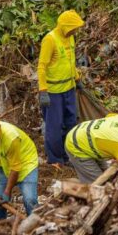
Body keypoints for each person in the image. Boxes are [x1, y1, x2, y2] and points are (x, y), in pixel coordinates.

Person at [38, 10, 85, 166]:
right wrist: (43, 91)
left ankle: (68, 155)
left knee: (71, 122)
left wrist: (77, 78)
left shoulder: (70, 37)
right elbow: (42, 66)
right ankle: (55, 159)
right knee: (54, 126)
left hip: (69, 89)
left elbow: (70, 61)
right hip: (53, 92)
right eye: (73, 28)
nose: (75, 31)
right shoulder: (50, 40)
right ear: (65, 27)